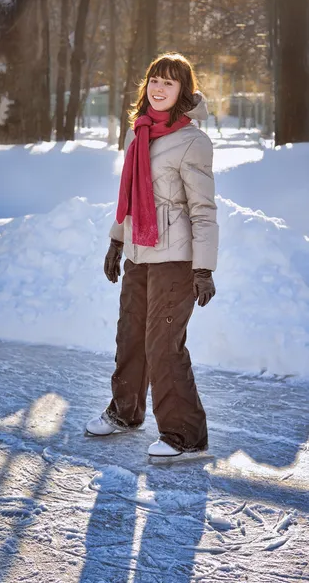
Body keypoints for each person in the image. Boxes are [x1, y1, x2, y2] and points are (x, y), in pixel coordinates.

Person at [86, 52, 219, 458]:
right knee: (130, 338)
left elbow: (203, 209)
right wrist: (116, 241)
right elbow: (128, 197)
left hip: (177, 259)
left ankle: (186, 437)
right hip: (140, 255)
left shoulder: (193, 141)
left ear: (183, 91)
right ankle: (126, 412)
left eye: (170, 82)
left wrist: (204, 268)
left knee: (163, 345)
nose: (159, 89)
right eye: (155, 80)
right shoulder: (138, 133)